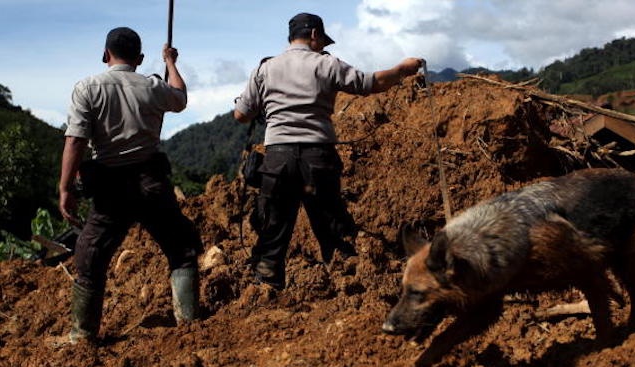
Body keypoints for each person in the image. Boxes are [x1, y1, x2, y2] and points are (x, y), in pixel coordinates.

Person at [234, 13, 423, 290]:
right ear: (313, 35)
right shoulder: (327, 64)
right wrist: (402, 70)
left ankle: (266, 289)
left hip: (278, 159)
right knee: (331, 225)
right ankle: (348, 285)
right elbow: (369, 83)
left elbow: (241, 115)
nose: (323, 45)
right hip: (318, 157)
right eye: (322, 39)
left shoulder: (265, 69)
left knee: (273, 228)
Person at [59, 27, 203, 344]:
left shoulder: (88, 87)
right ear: (139, 58)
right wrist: (171, 63)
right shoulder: (153, 86)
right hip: (152, 183)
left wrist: (66, 189)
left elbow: (75, 140)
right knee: (180, 249)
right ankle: (190, 325)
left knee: (90, 257)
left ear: (104, 54)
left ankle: (82, 335)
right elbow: (180, 98)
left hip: (110, 188)